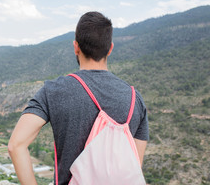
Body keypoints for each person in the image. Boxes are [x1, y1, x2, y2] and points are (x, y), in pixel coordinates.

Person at [8, 11, 149, 185]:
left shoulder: (53, 90)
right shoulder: (136, 99)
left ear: (76, 47)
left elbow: (16, 145)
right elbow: (134, 166)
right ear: (110, 48)